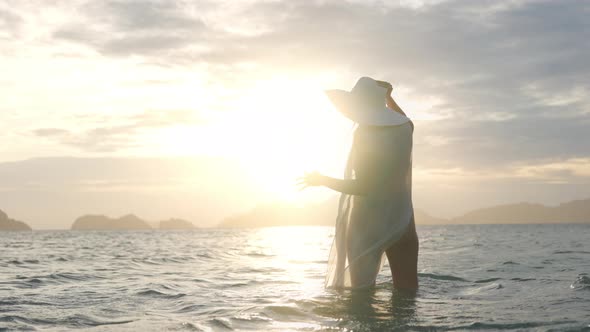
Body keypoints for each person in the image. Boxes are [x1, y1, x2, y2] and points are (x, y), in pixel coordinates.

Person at [298, 77, 418, 290]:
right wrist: (388, 97)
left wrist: (322, 180)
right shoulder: (406, 127)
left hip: (367, 224)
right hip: (402, 220)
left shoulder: (365, 135)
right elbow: (402, 117)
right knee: (407, 292)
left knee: (361, 297)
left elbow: (364, 187)